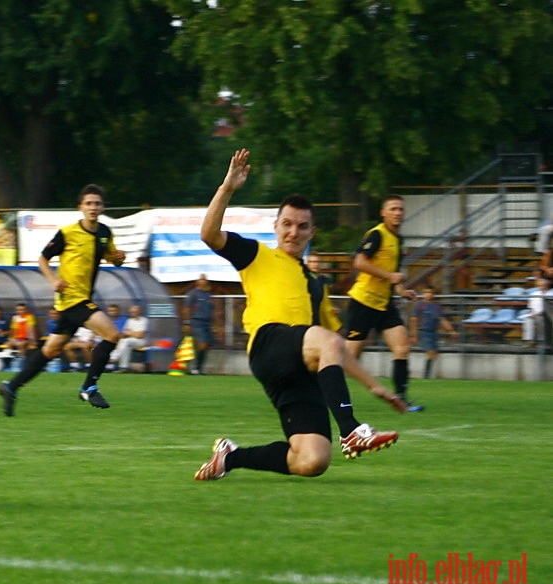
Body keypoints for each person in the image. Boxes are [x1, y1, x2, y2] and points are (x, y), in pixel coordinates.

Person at [194, 149, 399, 482]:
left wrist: (375, 386)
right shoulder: (256, 254)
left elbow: (337, 349)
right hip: (269, 344)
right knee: (325, 340)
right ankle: (350, 431)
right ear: (275, 226)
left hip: (300, 364)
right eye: (286, 224)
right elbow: (209, 234)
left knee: (312, 460)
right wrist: (228, 187)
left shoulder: (315, 285)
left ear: (311, 233)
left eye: (302, 227)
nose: (293, 232)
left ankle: (229, 458)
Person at [0, 183, 126, 416]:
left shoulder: (105, 233)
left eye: (97, 203)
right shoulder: (67, 233)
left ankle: (11, 386)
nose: (93, 207)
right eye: (89, 203)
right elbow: (43, 259)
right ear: (81, 207)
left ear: (102, 207)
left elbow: (112, 258)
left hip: (81, 299)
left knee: (51, 350)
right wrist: (53, 281)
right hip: (70, 298)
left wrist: (119, 258)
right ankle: (89, 386)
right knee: (112, 334)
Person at [344, 194, 424, 412]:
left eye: (400, 209)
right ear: (383, 212)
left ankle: (402, 398)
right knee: (349, 358)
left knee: (402, 347)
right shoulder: (377, 234)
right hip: (363, 301)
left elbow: (394, 275)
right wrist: (389, 277)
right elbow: (359, 262)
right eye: (393, 209)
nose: (397, 213)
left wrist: (401, 290)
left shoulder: (398, 240)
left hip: (384, 303)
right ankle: (325, 395)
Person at [410, 284, 457, 379]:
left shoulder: (437, 306)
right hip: (423, 331)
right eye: (426, 292)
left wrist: (451, 330)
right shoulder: (419, 306)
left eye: (430, 293)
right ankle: (426, 376)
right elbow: (414, 320)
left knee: (434, 353)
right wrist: (414, 334)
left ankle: (434, 374)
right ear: (423, 294)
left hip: (433, 331)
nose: (428, 294)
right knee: (431, 352)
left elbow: (442, 319)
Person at [186, 274, 214, 375]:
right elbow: (187, 307)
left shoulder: (208, 294)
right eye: (201, 279)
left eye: (204, 279)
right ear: (197, 281)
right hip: (197, 321)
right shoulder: (194, 293)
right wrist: (187, 322)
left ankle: (199, 368)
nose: (203, 281)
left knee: (206, 345)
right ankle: (195, 367)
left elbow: (211, 309)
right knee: (202, 344)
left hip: (207, 322)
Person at [109, 304, 149, 373]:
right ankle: (123, 368)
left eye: (134, 312)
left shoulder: (144, 320)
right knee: (125, 346)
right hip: (130, 341)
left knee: (125, 341)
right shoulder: (129, 321)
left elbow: (140, 335)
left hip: (141, 341)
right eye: (131, 312)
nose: (132, 313)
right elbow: (125, 333)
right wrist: (134, 333)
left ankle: (114, 357)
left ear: (139, 312)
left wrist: (131, 333)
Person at [521, 278, 552, 349]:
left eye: (543, 285)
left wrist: (539, 314)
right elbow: (530, 306)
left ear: (547, 286)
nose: (541, 287)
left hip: (547, 315)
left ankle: (542, 341)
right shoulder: (534, 294)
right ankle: (529, 341)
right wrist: (531, 313)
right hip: (534, 314)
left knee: (540, 320)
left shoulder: (551, 294)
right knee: (528, 320)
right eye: (539, 285)